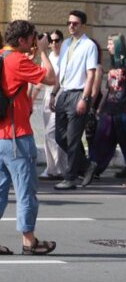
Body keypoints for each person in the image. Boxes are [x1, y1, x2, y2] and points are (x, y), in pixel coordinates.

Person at [0, 20, 59, 255]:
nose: (36, 40)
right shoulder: (18, 60)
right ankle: (29, 241)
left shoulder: (4, 56)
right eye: (32, 37)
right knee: (25, 190)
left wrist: (32, 54)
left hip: (1, 136)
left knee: (0, 189)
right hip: (17, 137)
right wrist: (43, 52)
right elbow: (51, 79)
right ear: (23, 40)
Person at [53, 10, 100, 189]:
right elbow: (60, 72)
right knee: (59, 136)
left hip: (78, 93)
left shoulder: (89, 45)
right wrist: (53, 93)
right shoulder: (65, 44)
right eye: (69, 23)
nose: (71, 26)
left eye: (75, 23)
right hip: (64, 93)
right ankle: (87, 165)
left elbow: (91, 75)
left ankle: (70, 177)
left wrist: (84, 98)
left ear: (83, 25)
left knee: (73, 138)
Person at [90, 34, 126, 181]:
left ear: (118, 45)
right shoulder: (113, 63)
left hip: (123, 108)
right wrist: (100, 106)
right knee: (102, 139)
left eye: (111, 44)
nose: (108, 47)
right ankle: (95, 168)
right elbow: (108, 88)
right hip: (109, 108)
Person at [37, 29, 68, 180]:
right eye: (51, 41)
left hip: (59, 96)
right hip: (47, 96)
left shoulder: (65, 57)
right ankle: (51, 168)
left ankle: (60, 168)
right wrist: (33, 95)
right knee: (47, 134)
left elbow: (59, 80)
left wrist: (54, 95)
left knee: (53, 133)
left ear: (62, 41)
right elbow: (41, 79)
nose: (54, 44)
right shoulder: (48, 56)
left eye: (57, 40)